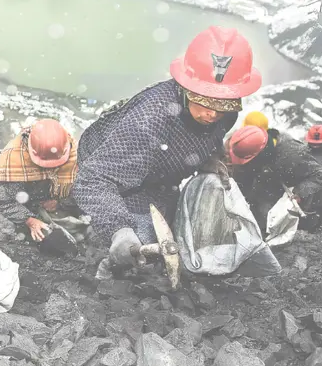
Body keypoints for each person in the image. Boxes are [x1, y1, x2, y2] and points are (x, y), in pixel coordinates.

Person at [71, 26, 263, 272]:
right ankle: (103, 270)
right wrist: (119, 229)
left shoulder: (225, 115)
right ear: (185, 87)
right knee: (137, 249)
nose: (213, 113)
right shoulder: (150, 121)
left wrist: (207, 159)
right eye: (204, 99)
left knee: (172, 231)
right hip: (120, 179)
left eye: (224, 102)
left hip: (161, 176)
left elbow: (208, 137)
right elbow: (93, 180)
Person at [171, 125, 281, 277]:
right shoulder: (215, 180)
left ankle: (204, 246)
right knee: (208, 225)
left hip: (204, 188)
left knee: (206, 226)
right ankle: (206, 249)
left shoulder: (214, 145)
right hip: (210, 189)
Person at [0, 119, 84, 255]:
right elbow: (4, 201)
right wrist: (29, 220)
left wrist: (60, 203)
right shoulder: (15, 158)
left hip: (59, 199)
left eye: (56, 165)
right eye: (45, 166)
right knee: (40, 239)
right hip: (27, 199)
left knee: (80, 229)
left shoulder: (77, 155)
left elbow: (87, 191)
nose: (51, 169)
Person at [234, 116, 322, 236]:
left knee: (269, 221)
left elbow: (319, 175)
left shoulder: (293, 155)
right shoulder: (249, 141)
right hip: (268, 178)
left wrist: (300, 193)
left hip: (286, 187)